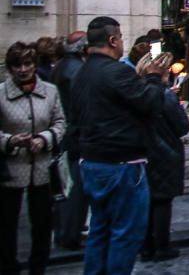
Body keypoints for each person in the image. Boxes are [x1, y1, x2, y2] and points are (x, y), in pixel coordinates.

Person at [70, 16, 170, 275]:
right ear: (113, 40)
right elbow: (150, 104)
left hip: (92, 161)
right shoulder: (116, 72)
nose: (123, 42)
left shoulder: (82, 72)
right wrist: (154, 77)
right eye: (122, 37)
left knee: (100, 230)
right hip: (121, 164)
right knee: (125, 234)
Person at [1, 42, 66, 275]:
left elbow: (60, 123)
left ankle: (38, 268)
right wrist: (10, 140)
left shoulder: (50, 91)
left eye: (27, 64)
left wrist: (45, 139)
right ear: (10, 68)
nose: (22, 69)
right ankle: (9, 266)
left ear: (35, 65)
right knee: (7, 225)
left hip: (42, 168)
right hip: (10, 170)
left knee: (42, 223)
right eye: (17, 65)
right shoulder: (1, 94)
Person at [136, 51, 189, 263]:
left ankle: (147, 246)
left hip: (145, 151)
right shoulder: (163, 94)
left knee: (148, 201)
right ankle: (161, 245)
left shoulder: (137, 91)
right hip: (165, 151)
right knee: (162, 201)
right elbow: (182, 125)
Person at [51, 31, 87, 251]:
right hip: (73, 135)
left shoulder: (62, 66)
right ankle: (69, 234)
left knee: (65, 187)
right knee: (74, 189)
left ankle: (64, 231)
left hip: (65, 134)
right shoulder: (76, 70)